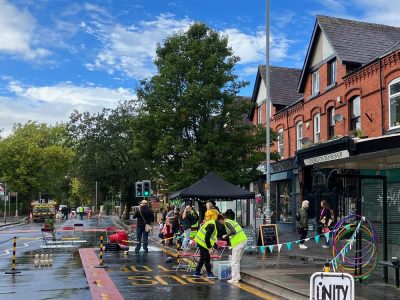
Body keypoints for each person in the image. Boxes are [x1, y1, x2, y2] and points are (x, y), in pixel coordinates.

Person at [218, 214, 247, 284]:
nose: (220, 223)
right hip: (243, 240)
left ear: (221, 220)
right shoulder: (232, 221)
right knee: (237, 261)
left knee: (234, 262)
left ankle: (235, 279)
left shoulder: (226, 223)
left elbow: (233, 231)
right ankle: (237, 277)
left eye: (219, 221)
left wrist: (226, 235)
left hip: (238, 243)